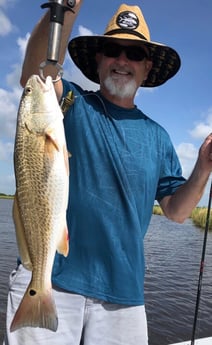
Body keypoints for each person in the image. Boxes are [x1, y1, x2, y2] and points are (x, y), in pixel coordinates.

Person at [4, 2, 212, 345]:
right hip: (49, 280)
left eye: (134, 53)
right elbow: (36, 75)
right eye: (113, 49)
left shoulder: (158, 136)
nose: (122, 60)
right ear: (98, 60)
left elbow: (177, 211)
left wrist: (203, 166)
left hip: (123, 295)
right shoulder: (70, 104)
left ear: (147, 68)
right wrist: (68, 5)